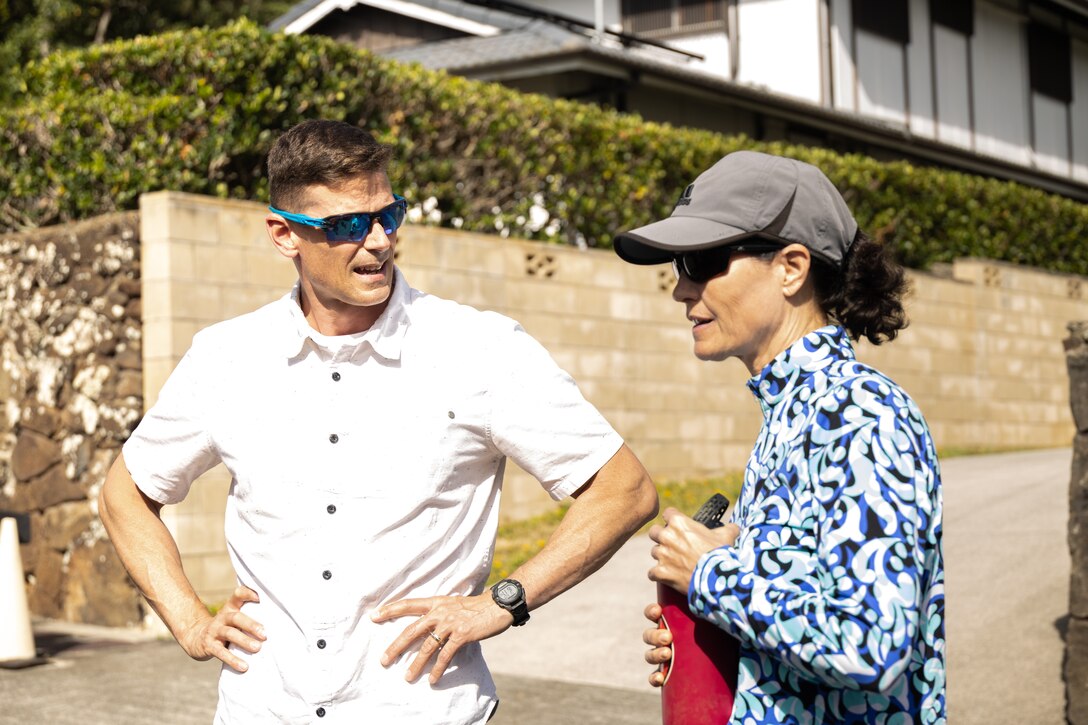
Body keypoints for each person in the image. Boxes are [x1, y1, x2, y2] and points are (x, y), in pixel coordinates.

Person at [99, 119, 658, 724]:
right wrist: (187, 619)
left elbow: (623, 489)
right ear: (284, 235)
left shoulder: (479, 348)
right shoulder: (227, 357)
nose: (377, 241)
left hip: (420, 710)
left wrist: (505, 602)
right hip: (262, 709)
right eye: (345, 226)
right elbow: (123, 494)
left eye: (387, 216)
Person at [612, 151, 944, 723]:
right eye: (678, 266)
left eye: (702, 260)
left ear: (791, 266)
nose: (682, 290)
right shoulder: (792, 414)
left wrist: (711, 577)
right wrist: (711, 636)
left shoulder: (862, 413)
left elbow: (870, 645)